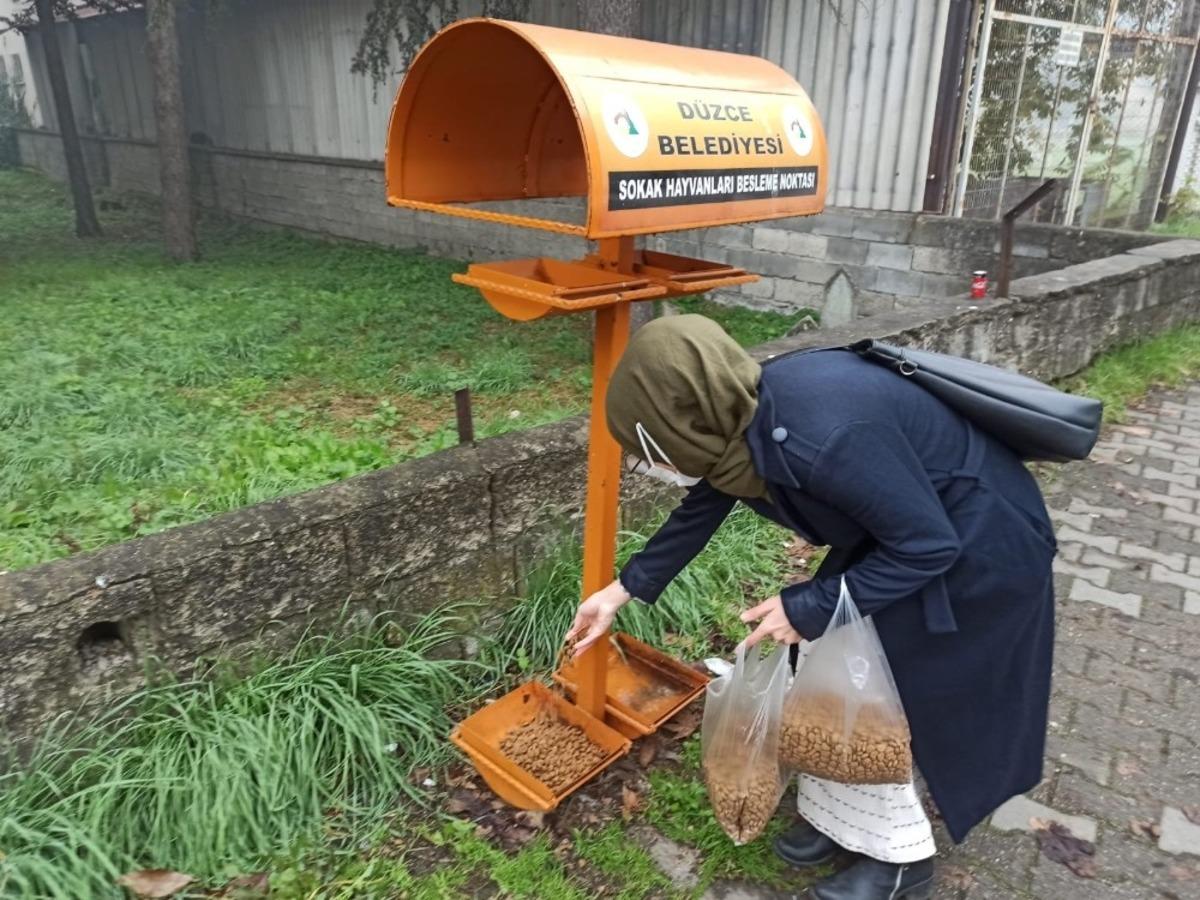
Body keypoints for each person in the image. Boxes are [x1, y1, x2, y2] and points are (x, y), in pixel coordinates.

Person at [565, 315, 1057, 900]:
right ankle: (841, 823)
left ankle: (902, 861)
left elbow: (929, 545)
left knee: (884, 696)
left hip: (979, 548)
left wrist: (811, 603)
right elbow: (704, 505)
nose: (653, 463)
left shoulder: (822, 434)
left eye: (650, 447)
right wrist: (621, 591)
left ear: (685, 418)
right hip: (905, 536)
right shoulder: (747, 415)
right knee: (828, 670)